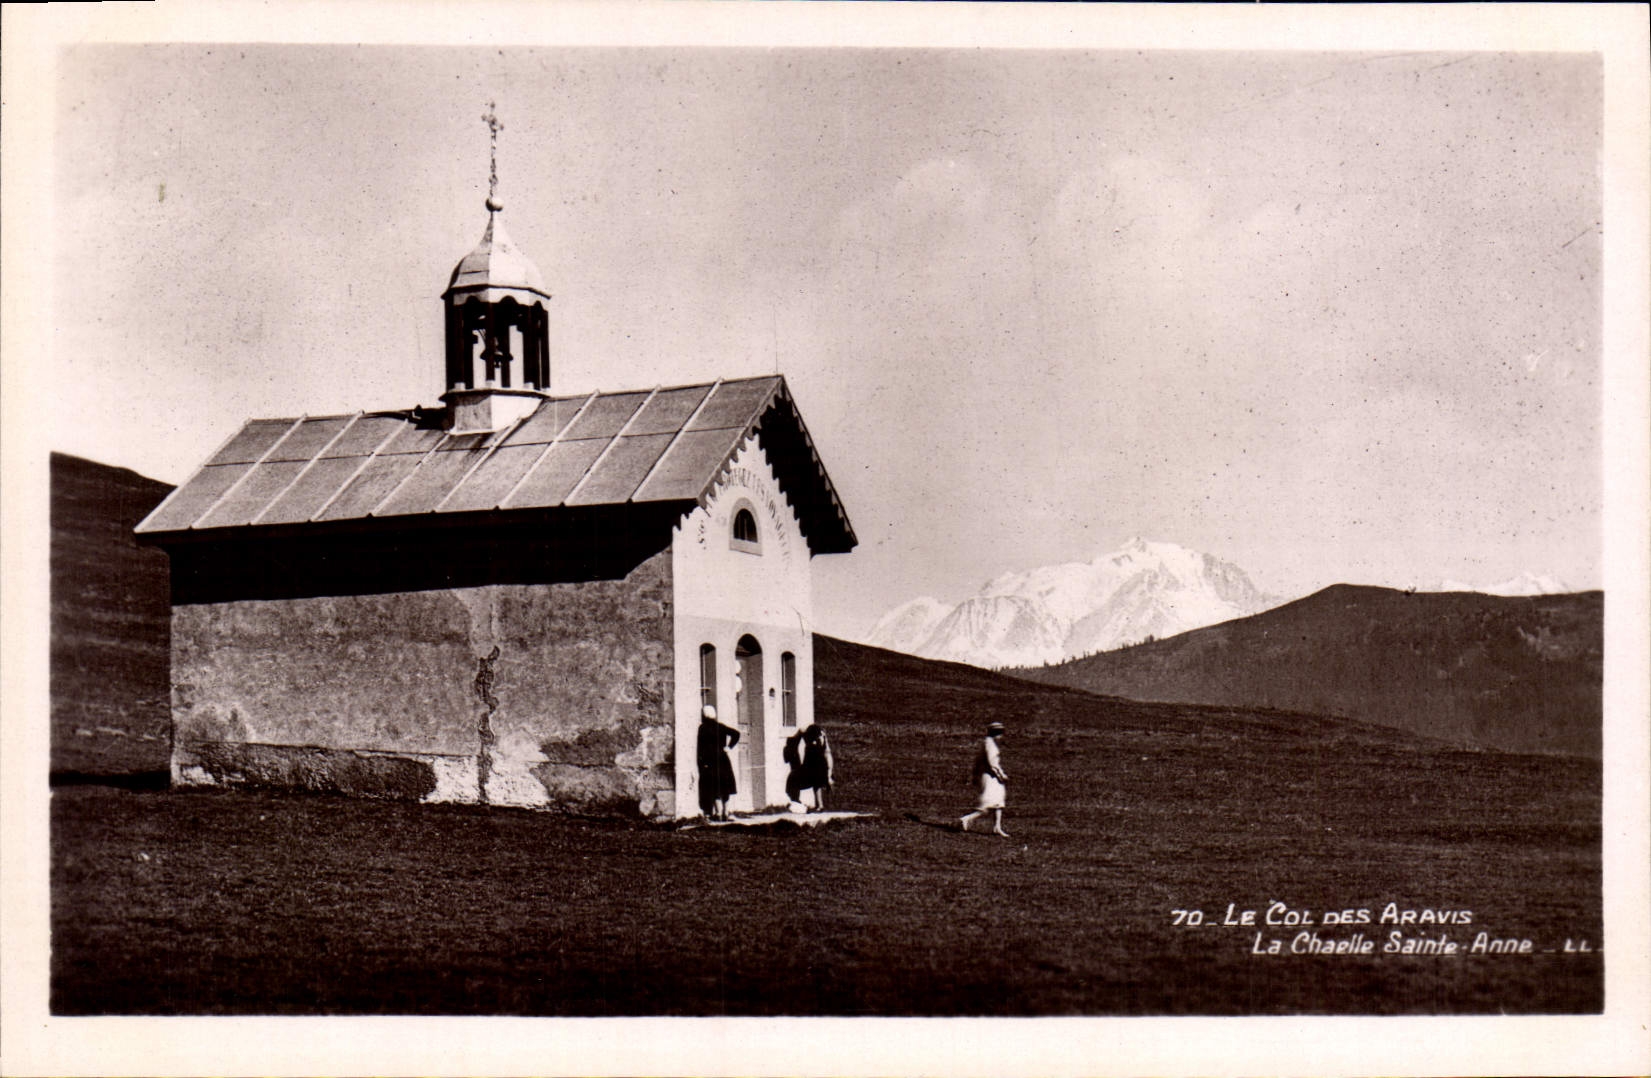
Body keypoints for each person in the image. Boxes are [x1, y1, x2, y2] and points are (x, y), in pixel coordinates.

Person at [959, 721, 1009, 837]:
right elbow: (993, 764)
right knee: (988, 804)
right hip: (991, 776)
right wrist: (1001, 775)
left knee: (998, 801)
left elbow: (978, 763)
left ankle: (997, 827)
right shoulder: (990, 746)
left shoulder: (987, 743)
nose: (1001, 736)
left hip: (989, 776)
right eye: (1000, 734)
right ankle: (966, 819)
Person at [696, 705, 740, 821]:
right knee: (725, 786)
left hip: (710, 761)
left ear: (704, 715)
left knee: (714, 786)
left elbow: (700, 747)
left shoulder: (703, 728)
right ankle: (726, 812)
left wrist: (701, 763)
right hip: (723, 760)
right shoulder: (720, 726)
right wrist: (729, 747)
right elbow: (736, 734)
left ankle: (718, 813)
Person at [798, 723, 834, 812]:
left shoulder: (817, 740)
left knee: (817, 784)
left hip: (817, 763)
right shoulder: (814, 738)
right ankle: (821, 805)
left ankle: (821, 804)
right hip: (815, 763)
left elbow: (827, 754)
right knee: (817, 784)